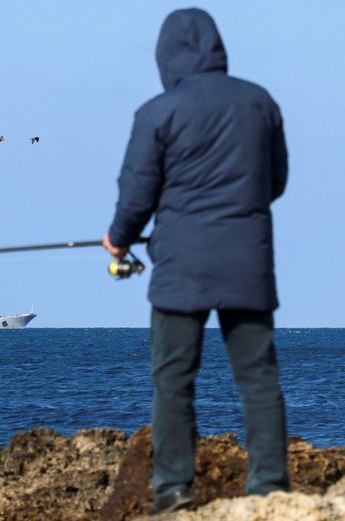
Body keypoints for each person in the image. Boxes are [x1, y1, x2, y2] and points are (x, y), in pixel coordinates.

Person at [102, 8, 289, 516]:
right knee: (258, 377)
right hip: (248, 261)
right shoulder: (259, 101)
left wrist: (118, 240)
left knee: (173, 380)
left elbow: (137, 193)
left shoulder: (157, 112)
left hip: (181, 266)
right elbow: (276, 183)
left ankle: (172, 491)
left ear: (166, 58)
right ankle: (270, 486)